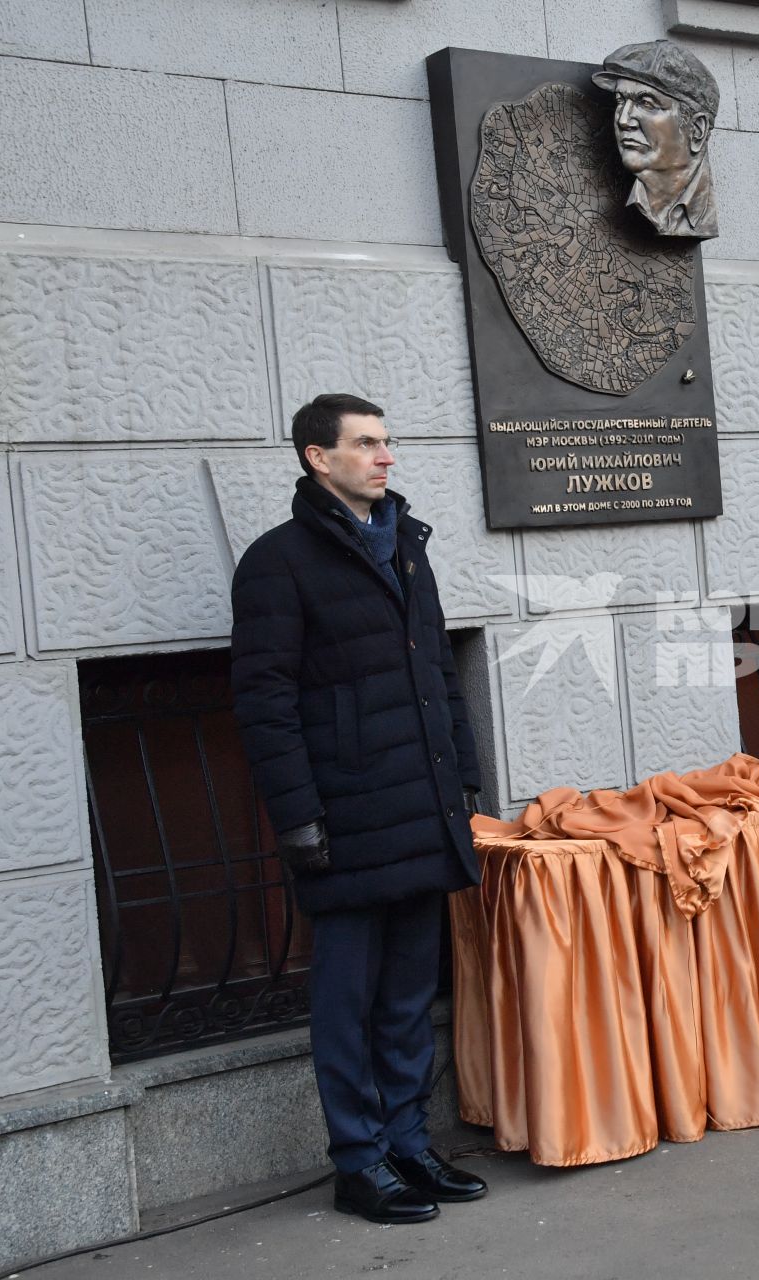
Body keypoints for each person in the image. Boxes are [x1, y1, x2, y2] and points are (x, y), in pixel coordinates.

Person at [231, 394, 488, 1223]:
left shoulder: (407, 546)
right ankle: (359, 1161)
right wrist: (300, 818)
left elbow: (439, 674)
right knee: (347, 1001)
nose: (386, 457)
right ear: (318, 456)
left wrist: (465, 779)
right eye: (367, 443)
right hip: (342, 819)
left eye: (387, 442)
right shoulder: (278, 563)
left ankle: (408, 1146)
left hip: (417, 806)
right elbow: (264, 703)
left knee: (410, 995)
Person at [593, 40, 720, 239]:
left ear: (697, 130)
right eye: (620, 100)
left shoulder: (702, 216)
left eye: (646, 103)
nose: (624, 120)